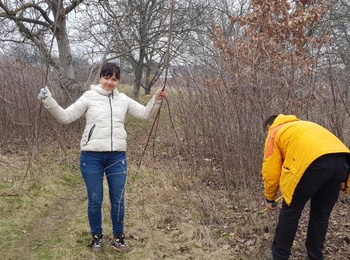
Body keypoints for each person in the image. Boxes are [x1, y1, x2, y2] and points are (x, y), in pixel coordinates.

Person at [37, 62, 167, 252]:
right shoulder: (89, 97)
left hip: (117, 157)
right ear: (100, 78)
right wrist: (48, 100)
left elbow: (145, 114)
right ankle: (96, 237)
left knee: (118, 199)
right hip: (91, 157)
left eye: (114, 79)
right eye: (106, 77)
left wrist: (156, 98)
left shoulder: (123, 99)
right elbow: (65, 117)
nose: (110, 82)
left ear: (119, 81)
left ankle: (118, 238)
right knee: (95, 199)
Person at [261, 114, 350, 260]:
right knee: (320, 215)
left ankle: (279, 256)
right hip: (342, 163)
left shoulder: (274, 132)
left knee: (291, 211)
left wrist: (269, 198)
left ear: (268, 127)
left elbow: (270, 171)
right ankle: (315, 256)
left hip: (313, 163)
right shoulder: (303, 126)